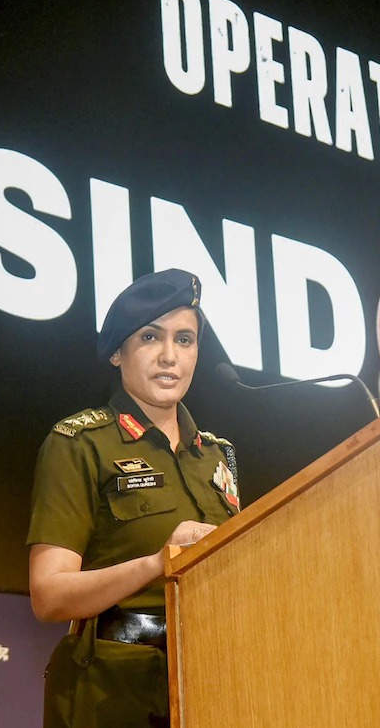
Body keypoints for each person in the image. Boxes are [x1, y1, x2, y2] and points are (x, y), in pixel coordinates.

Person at [27, 268, 240, 727]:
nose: (169, 356)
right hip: (112, 692)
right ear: (117, 353)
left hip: (215, 683)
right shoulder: (80, 443)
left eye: (185, 340)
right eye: (150, 337)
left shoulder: (216, 455)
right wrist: (157, 563)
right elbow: (48, 595)